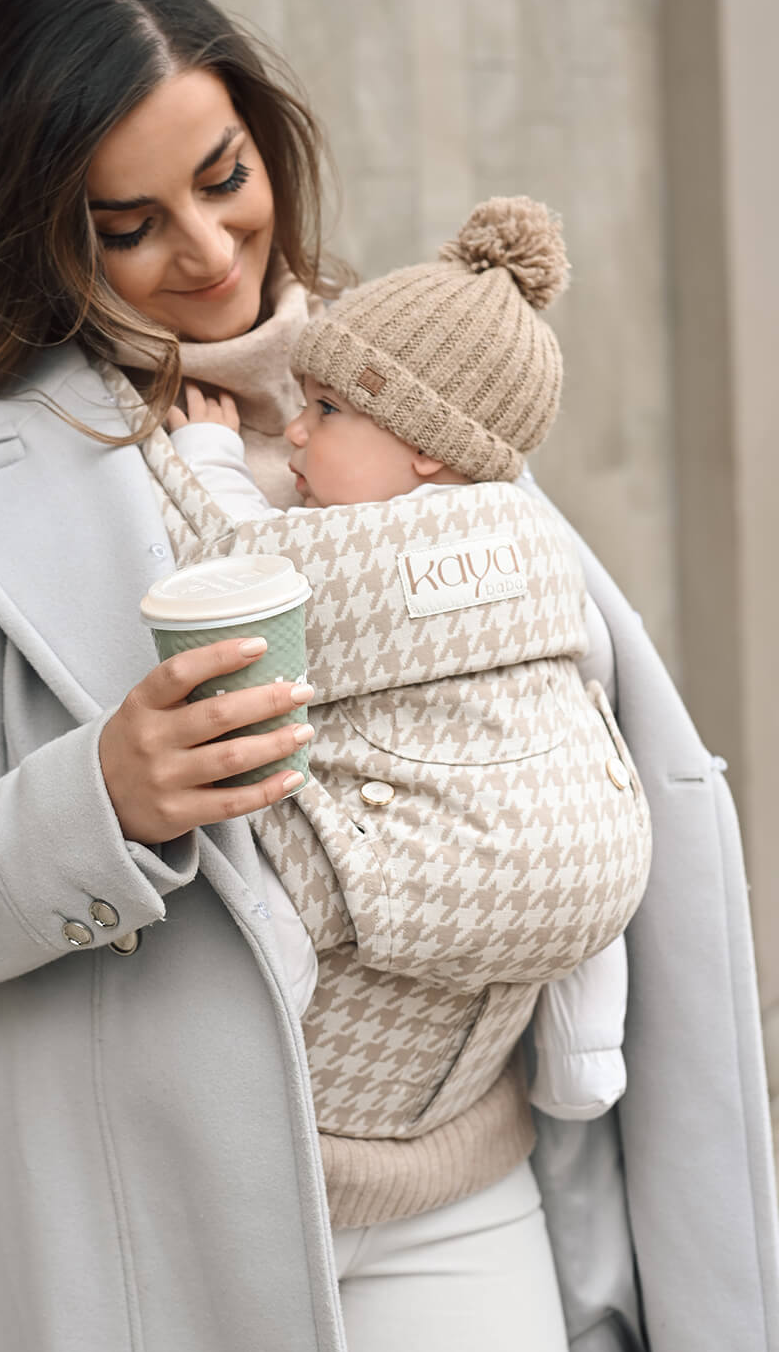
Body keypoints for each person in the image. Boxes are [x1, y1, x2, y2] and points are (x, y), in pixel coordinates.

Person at [0, 0, 779, 1352]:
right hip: (138, 1228)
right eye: (128, 224)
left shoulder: (406, 375)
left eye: (226, 178)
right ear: (39, 225)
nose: (207, 250)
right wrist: (103, 798)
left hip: (446, 1185)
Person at [154, 195, 649, 1145]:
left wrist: (209, 452)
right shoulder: (539, 534)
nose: (297, 433)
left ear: (425, 447)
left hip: (417, 858)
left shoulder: (362, 546)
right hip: (591, 848)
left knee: (282, 836)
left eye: (327, 410)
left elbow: (238, 561)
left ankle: (262, 1009)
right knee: (586, 846)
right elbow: (589, 658)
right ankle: (586, 1049)